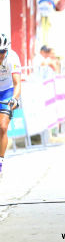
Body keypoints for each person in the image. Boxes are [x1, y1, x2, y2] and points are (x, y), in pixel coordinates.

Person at [0, 34, 21, 174]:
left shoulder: (12, 58)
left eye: (2, 52)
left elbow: (17, 83)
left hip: (7, 91)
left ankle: (0, 160)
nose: (1, 55)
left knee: (2, 127)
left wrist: (14, 98)